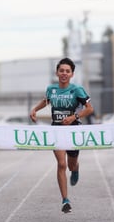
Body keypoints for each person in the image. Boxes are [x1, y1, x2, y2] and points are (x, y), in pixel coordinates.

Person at [30, 57, 93, 213]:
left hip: (73, 131)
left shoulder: (77, 90)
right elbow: (46, 101)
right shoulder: (51, 89)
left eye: (67, 71)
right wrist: (34, 110)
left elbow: (89, 108)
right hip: (56, 131)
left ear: (72, 74)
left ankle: (76, 168)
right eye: (61, 71)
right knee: (61, 164)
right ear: (57, 73)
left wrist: (74, 117)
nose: (64, 73)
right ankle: (65, 200)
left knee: (70, 165)